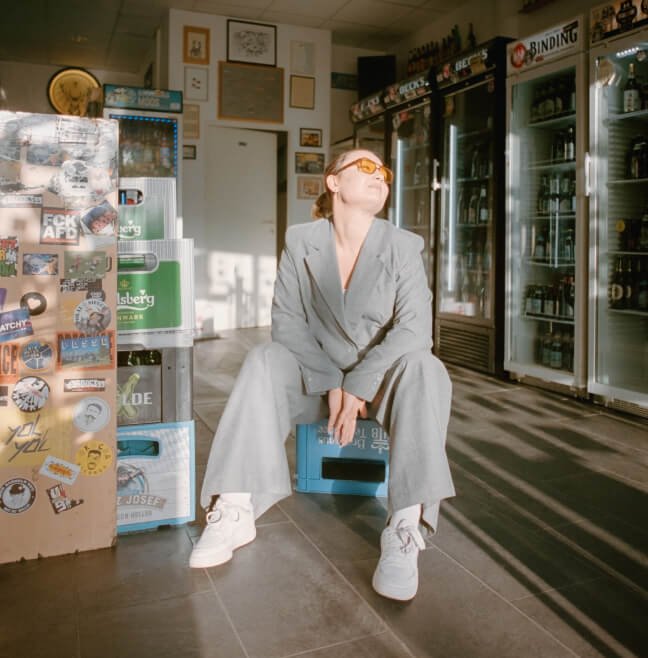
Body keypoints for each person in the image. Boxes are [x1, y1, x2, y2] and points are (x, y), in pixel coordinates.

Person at [190, 149, 455, 601]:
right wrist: (331, 381)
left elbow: (415, 330)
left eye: (384, 172)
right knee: (264, 359)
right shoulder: (301, 241)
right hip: (316, 377)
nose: (379, 176)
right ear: (333, 182)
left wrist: (358, 385)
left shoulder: (403, 245)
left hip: (381, 379)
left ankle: (405, 527)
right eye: (366, 167)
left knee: (426, 368)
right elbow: (287, 320)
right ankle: (234, 506)